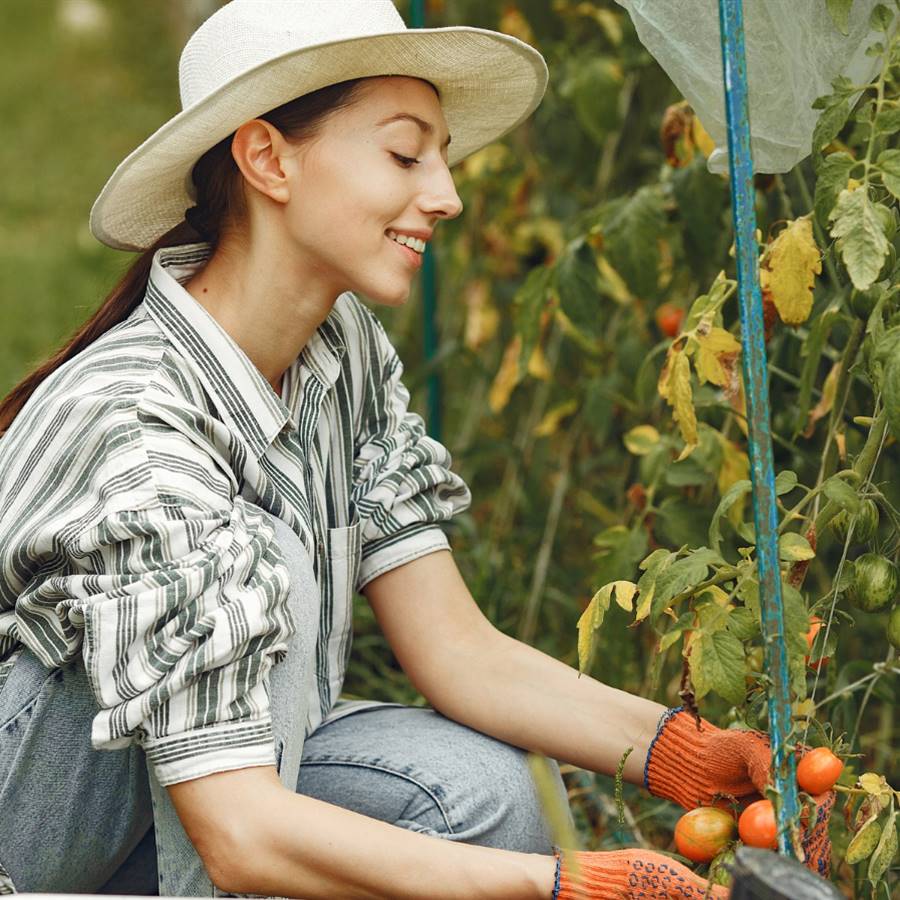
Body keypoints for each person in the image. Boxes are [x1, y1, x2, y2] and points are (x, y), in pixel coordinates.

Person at [0, 2, 834, 898]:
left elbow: (455, 648)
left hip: (223, 782)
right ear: (266, 159)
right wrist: (560, 887)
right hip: (40, 833)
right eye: (406, 154)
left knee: (485, 796)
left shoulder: (341, 348)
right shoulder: (140, 417)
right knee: (266, 555)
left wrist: (676, 751)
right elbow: (240, 836)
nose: (447, 193)